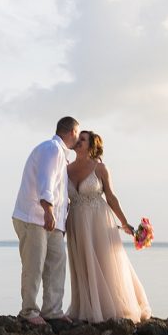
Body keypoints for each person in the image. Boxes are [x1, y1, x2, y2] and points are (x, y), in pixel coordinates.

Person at [66, 131, 151, 323]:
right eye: (78, 139)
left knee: (106, 262)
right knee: (83, 264)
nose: (78, 142)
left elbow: (111, 197)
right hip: (76, 221)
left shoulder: (100, 168)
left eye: (83, 139)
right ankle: (86, 307)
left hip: (99, 220)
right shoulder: (66, 169)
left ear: (91, 145)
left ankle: (111, 307)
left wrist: (124, 222)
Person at [12, 116, 79, 325]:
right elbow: (46, 180)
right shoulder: (52, 149)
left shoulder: (61, 154)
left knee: (57, 263)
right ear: (71, 132)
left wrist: (59, 221)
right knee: (34, 264)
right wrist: (48, 210)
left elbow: (60, 192)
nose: (78, 136)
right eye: (78, 132)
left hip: (53, 223)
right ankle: (29, 311)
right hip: (34, 217)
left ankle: (52, 310)